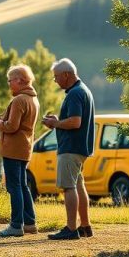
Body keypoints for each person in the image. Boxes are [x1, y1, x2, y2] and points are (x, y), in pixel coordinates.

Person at [42, 58, 95, 240]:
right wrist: (58, 121)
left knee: (68, 187)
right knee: (79, 186)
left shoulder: (74, 94)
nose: (55, 80)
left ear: (66, 74)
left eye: (56, 76)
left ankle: (71, 229)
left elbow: (75, 121)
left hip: (70, 148)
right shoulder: (84, 90)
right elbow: (74, 119)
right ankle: (85, 226)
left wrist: (55, 123)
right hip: (81, 148)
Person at [0, 64, 40, 238]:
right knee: (23, 185)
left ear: (19, 80)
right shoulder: (33, 99)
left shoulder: (19, 100)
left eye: (10, 81)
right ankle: (30, 223)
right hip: (25, 149)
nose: (9, 84)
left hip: (13, 149)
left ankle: (16, 225)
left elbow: (11, 126)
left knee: (14, 186)